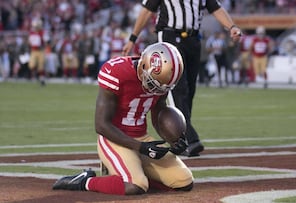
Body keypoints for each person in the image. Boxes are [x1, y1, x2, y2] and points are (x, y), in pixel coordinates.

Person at [52, 42, 193, 195]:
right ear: (144, 65)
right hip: (114, 139)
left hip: (142, 138)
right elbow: (101, 125)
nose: (155, 90)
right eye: (154, 84)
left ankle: (135, 173)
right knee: (134, 186)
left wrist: (174, 141)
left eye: (161, 87)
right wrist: (141, 147)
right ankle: (85, 181)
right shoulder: (116, 72)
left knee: (183, 181)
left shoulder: (160, 79)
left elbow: (158, 112)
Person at [122, 0, 242, 157]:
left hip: (193, 39)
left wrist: (231, 26)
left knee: (190, 90)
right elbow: (147, 10)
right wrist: (133, 38)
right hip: (170, 35)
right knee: (178, 88)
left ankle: (181, 135)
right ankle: (188, 139)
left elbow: (215, 8)